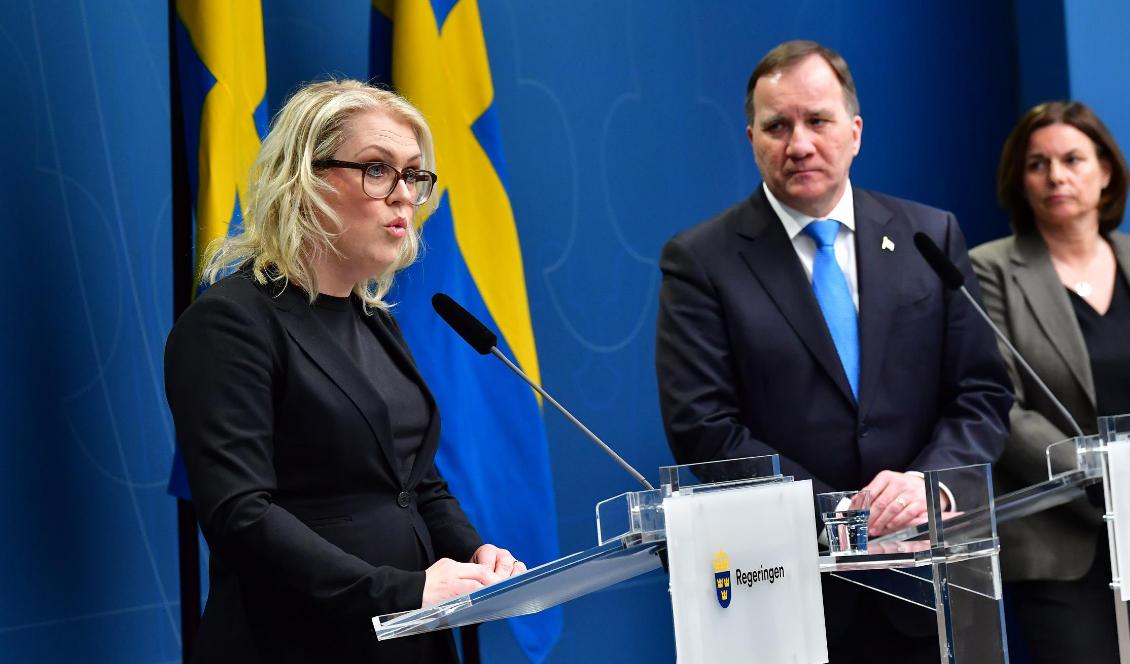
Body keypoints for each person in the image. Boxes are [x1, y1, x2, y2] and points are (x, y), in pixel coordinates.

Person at [655, 40, 1013, 663]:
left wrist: (929, 484)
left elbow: (981, 392)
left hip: (927, 574)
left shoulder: (931, 235)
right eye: (777, 126)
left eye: (817, 120)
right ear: (751, 138)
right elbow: (702, 425)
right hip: (788, 588)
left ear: (854, 131)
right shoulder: (701, 261)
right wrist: (831, 511)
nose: (798, 144)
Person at [164, 80, 525, 663]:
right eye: (378, 169)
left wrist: (474, 552)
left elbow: (416, 484)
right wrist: (402, 591)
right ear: (304, 180)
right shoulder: (231, 324)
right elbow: (240, 514)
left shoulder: (374, 321)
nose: (404, 194)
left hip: (410, 638)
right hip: (293, 643)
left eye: (414, 174)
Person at [970, 100, 1130, 664]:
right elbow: (1000, 407)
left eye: (1072, 159)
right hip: (1059, 540)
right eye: (1037, 164)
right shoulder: (988, 268)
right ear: (1020, 178)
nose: (1055, 176)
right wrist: (1107, 478)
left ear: (1106, 170)